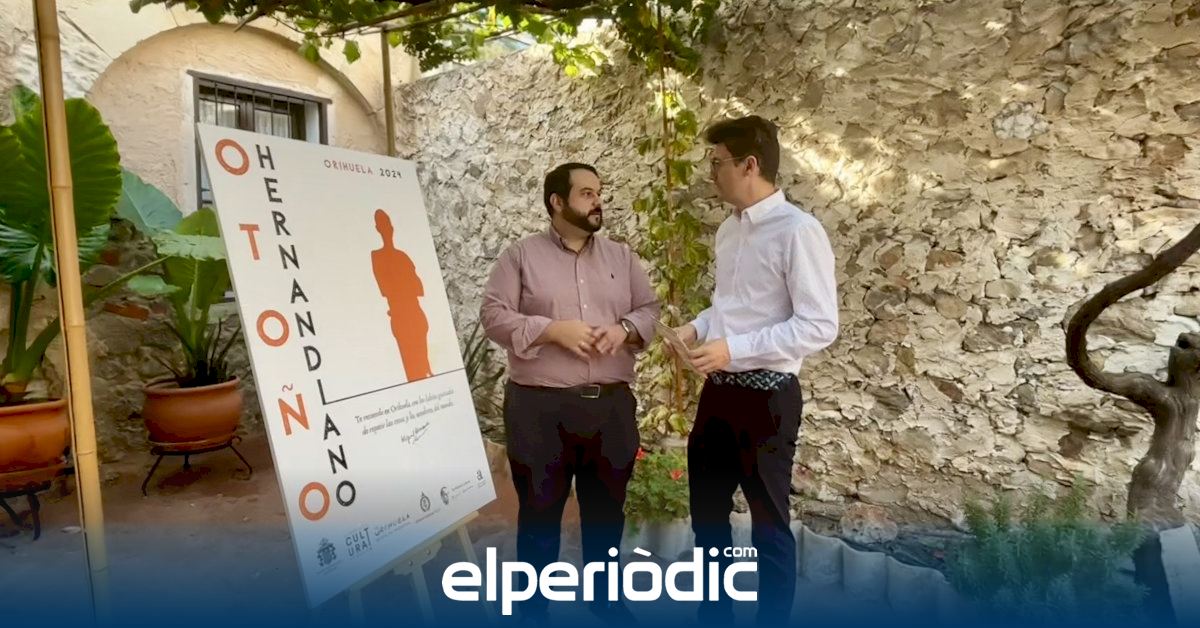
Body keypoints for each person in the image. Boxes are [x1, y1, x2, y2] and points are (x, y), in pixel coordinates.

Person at [671, 116, 839, 624]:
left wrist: (734, 348)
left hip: (768, 399)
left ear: (750, 164)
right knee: (707, 520)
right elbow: (730, 308)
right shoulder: (729, 231)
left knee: (769, 526)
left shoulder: (799, 231)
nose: (710, 173)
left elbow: (819, 325)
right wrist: (697, 329)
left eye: (716, 163)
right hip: (719, 395)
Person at [480, 162, 660, 625]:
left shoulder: (622, 258)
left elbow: (649, 310)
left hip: (611, 408)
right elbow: (494, 316)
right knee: (539, 513)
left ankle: (605, 600)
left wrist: (624, 330)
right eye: (586, 193)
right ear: (557, 202)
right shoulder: (519, 257)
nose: (598, 201)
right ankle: (532, 608)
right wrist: (551, 330)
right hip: (539, 409)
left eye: (599, 192)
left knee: (606, 514)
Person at [371, 208, 432, 382]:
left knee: (425, 369)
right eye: (384, 225)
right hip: (401, 316)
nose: (388, 228)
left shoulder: (402, 256)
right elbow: (387, 288)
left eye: (389, 224)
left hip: (416, 314)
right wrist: (406, 284)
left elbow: (419, 287)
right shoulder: (377, 256)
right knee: (414, 372)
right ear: (378, 228)